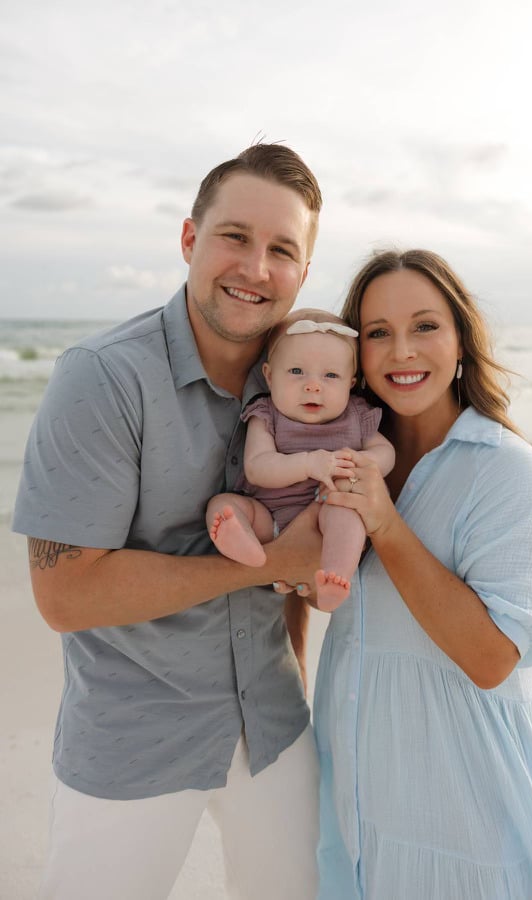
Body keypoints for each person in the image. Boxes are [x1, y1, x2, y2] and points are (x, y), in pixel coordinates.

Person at [12, 143, 325, 900]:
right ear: (190, 240)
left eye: (282, 249)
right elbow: (66, 595)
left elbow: (303, 551)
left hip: (275, 727)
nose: (256, 267)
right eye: (235, 237)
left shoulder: (300, 377)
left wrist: (296, 634)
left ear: (303, 273)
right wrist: (270, 559)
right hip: (134, 742)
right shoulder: (104, 377)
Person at [313, 249, 532, 899]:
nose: (401, 352)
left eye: (424, 326)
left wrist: (385, 525)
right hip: (364, 776)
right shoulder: (350, 460)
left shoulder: (504, 469)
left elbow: (493, 657)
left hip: (465, 788)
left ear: (462, 340)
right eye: (378, 333)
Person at [206, 308, 395, 611]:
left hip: (326, 521)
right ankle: (248, 548)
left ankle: (335, 574)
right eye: (296, 372)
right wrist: (307, 463)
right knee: (224, 507)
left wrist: (358, 462)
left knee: (345, 514)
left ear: (351, 382)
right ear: (269, 376)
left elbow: (386, 453)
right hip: (268, 517)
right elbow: (257, 467)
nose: (313, 385)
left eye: (331, 375)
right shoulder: (266, 415)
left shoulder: (357, 416)